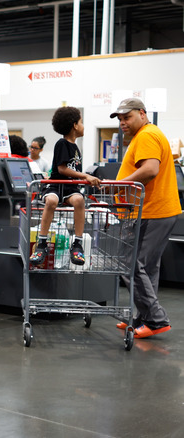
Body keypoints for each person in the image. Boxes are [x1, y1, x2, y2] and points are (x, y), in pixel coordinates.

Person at [111, 97, 178, 338]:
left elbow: (150, 170)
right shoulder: (149, 134)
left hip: (153, 211)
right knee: (146, 269)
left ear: (142, 113)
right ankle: (143, 317)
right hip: (155, 211)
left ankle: (157, 320)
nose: (122, 123)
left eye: (127, 117)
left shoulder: (147, 135)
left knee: (130, 265)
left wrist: (116, 186)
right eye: (119, 119)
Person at [29, 107, 100, 268]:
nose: (83, 125)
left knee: (79, 200)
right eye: (81, 122)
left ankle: (77, 244)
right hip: (56, 186)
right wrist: (85, 176)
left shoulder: (76, 147)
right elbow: (62, 169)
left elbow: (72, 170)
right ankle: (42, 243)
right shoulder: (62, 143)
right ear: (75, 125)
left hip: (70, 190)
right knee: (51, 201)